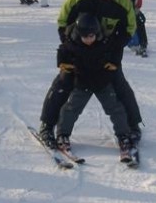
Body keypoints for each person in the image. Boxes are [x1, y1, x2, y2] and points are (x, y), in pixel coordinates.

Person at [38, 0, 142, 147]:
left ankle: (133, 126)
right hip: (78, 51)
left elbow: (129, 29)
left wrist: (113, 52)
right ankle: (47, 125)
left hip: (106, 53)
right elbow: (63, 22)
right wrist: (70, 47)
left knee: (119, 85)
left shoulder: (122, 4)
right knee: (63, 83)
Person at [55, 13, 131, 155]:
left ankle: (123, 136)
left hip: (102, 82)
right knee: (71, 109)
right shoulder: (72, 44)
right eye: (85, 37)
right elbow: (62, 51)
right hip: (82, 82)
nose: (89, 40)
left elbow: (115, 50)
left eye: (91, 36)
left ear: (97, 33)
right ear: (79, 34)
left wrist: (113, 62)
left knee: (115, 108)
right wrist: (63, 63)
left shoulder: (104, 42)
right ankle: (62, 135)